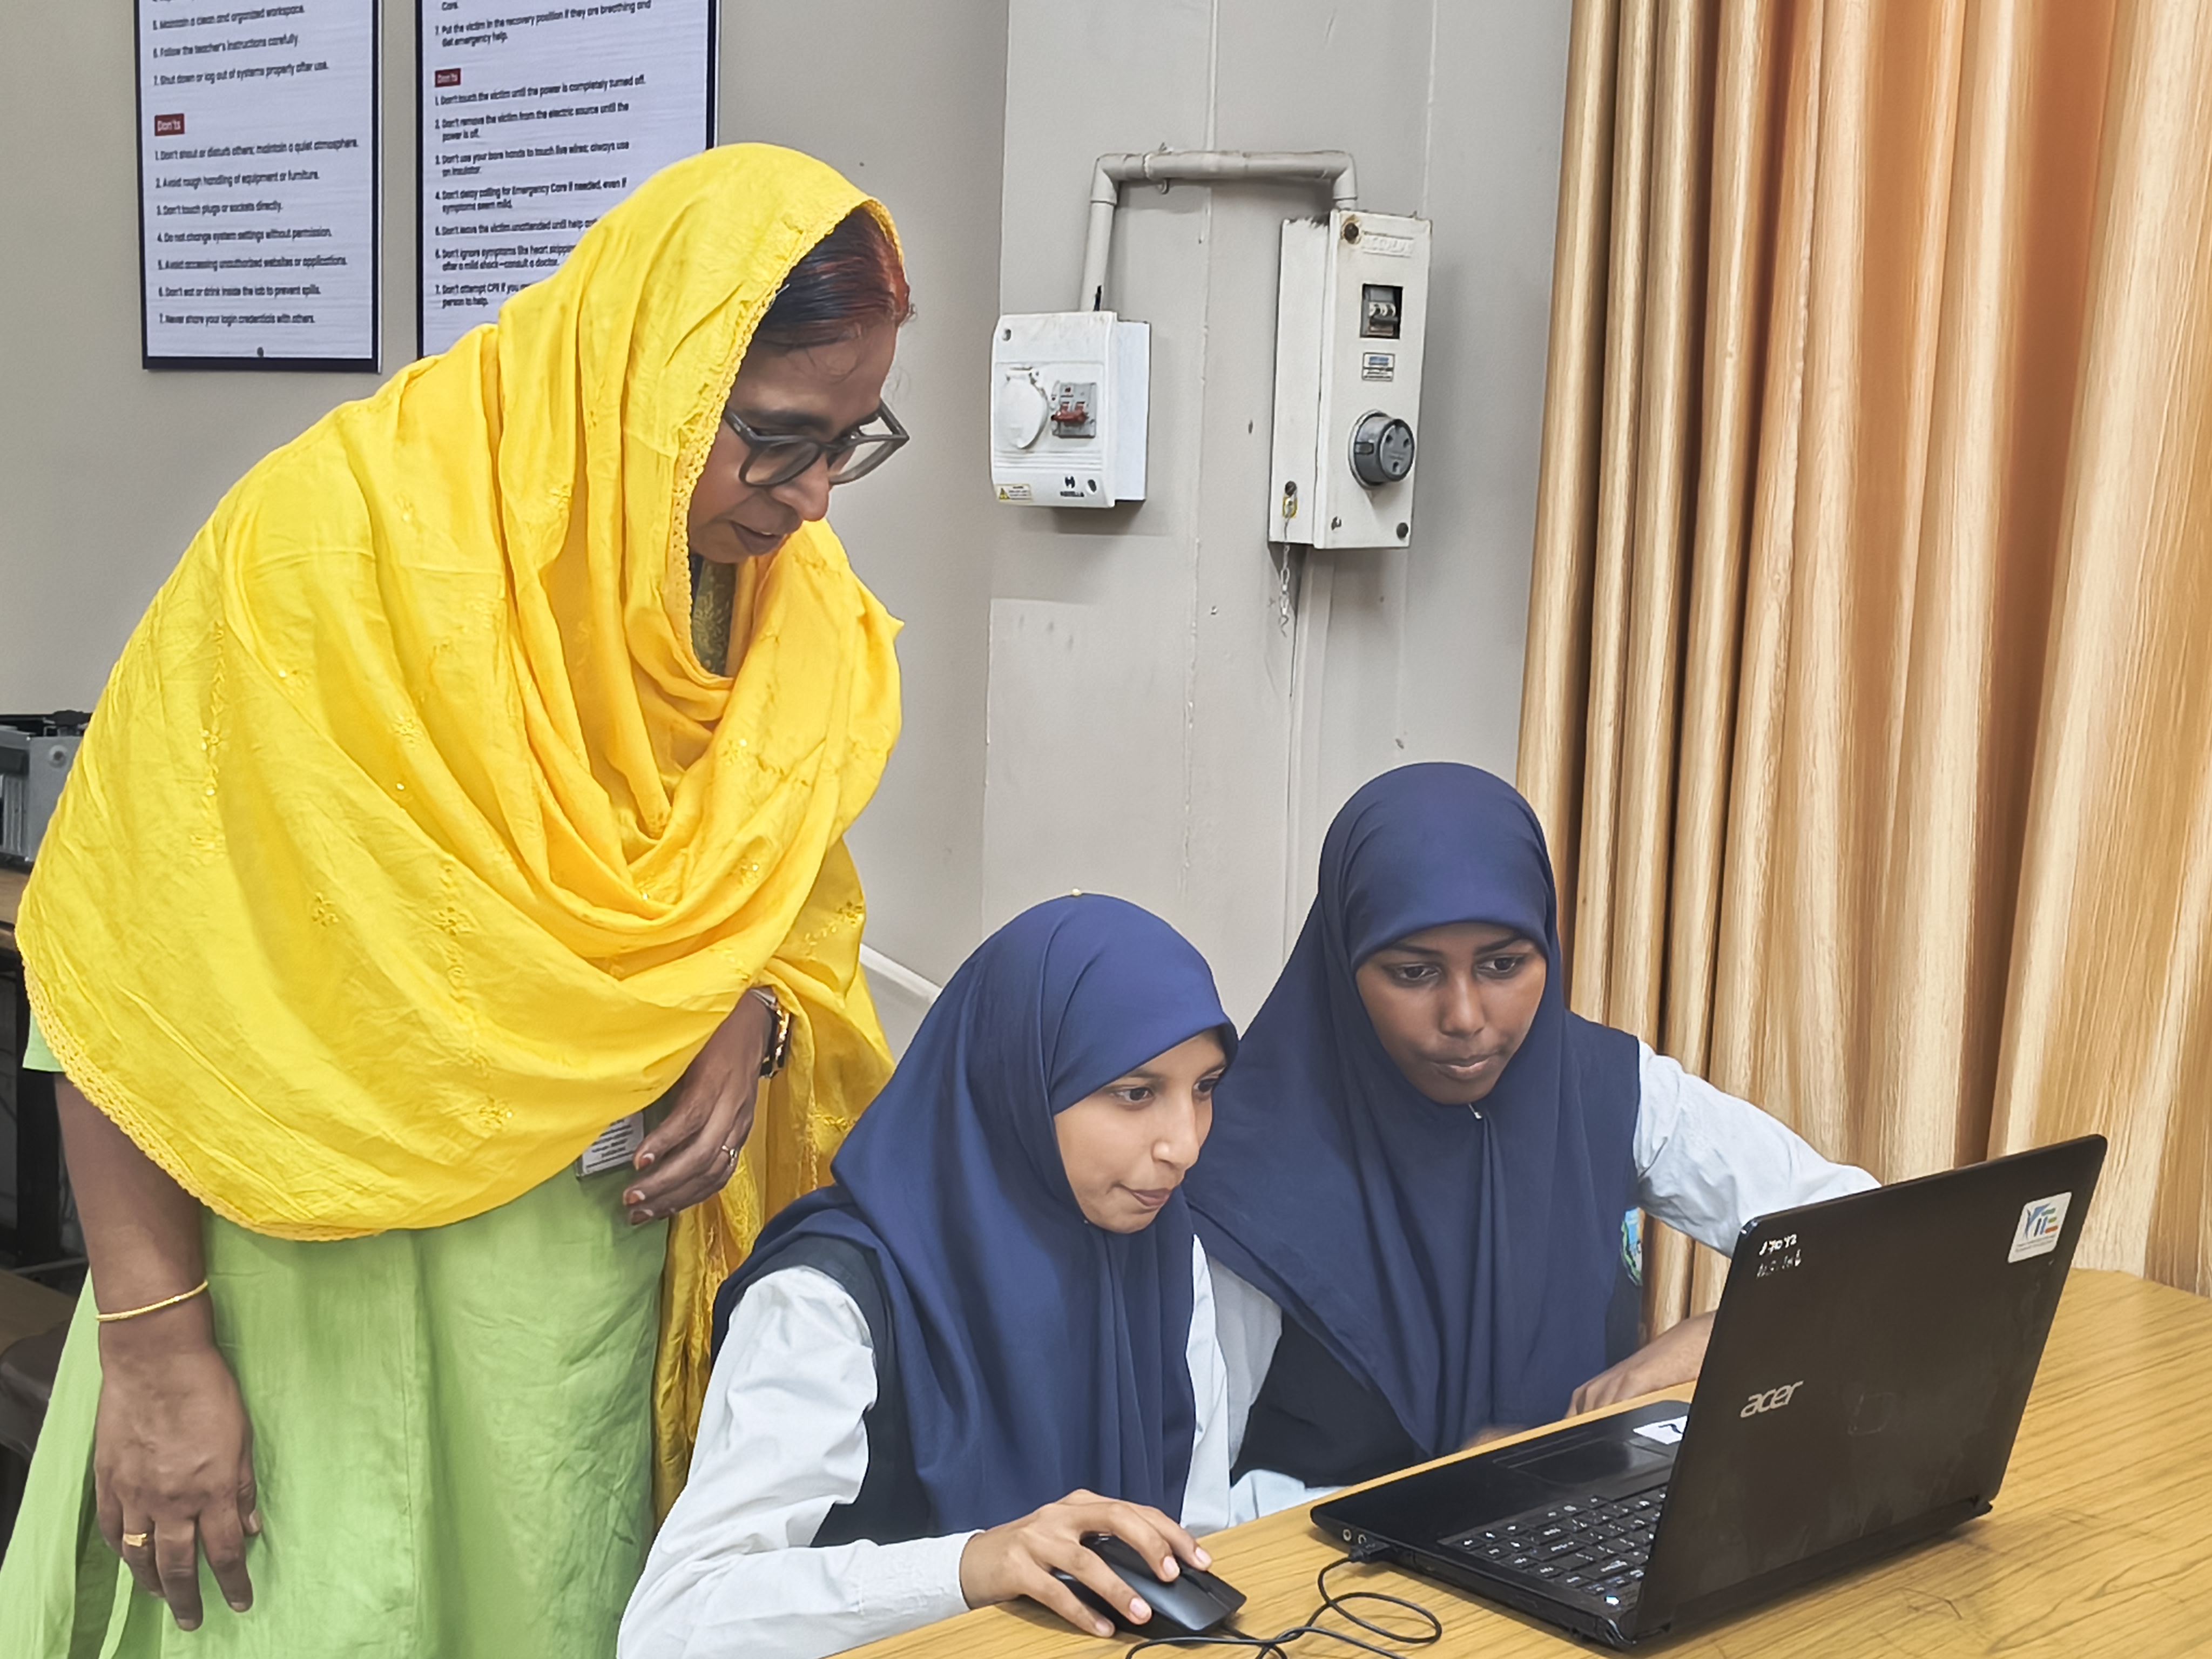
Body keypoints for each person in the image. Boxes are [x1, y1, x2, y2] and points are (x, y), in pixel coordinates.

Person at [0, 145, 913, 1657]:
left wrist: (745, 1014)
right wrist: (156, 1355)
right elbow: (118, 964)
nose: (814, 500)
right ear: (648, 382)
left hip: (566, 1338)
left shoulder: (768, 604)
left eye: (851, 440)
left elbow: (787, 908)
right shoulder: (333, 552)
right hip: (304, 1320)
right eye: (776, 439)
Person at [1185, 763, 1877, 1521]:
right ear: (1345, 965)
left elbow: (1872, 1234)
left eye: (1503, 965)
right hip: (1337, 1577)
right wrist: (1448, 1496)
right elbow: (1192, 1508)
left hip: (1577, 1541)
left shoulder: (1603, 1085)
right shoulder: (1237, 1174)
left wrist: (1721, 1338)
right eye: (1413, 972)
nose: (1465, 1016)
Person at [621, 894, 1237, 1659]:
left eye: (1205, 1088)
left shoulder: (1162, 1251)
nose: (1185, 1145)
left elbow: (1201, 1534)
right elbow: (677, 1622)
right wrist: (970, 1567)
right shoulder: (830, 1299)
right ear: (1017, 1081)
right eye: (1136, 1094)